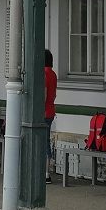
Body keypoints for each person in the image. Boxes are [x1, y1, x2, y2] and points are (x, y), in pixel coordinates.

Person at [44, 48, 58, 183]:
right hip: (51, 110)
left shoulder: (43, 74)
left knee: (41, 142)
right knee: (46, 141)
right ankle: (47, 172)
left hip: (42, 112)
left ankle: (44, 172)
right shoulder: (53, 74)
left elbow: (44, 93)